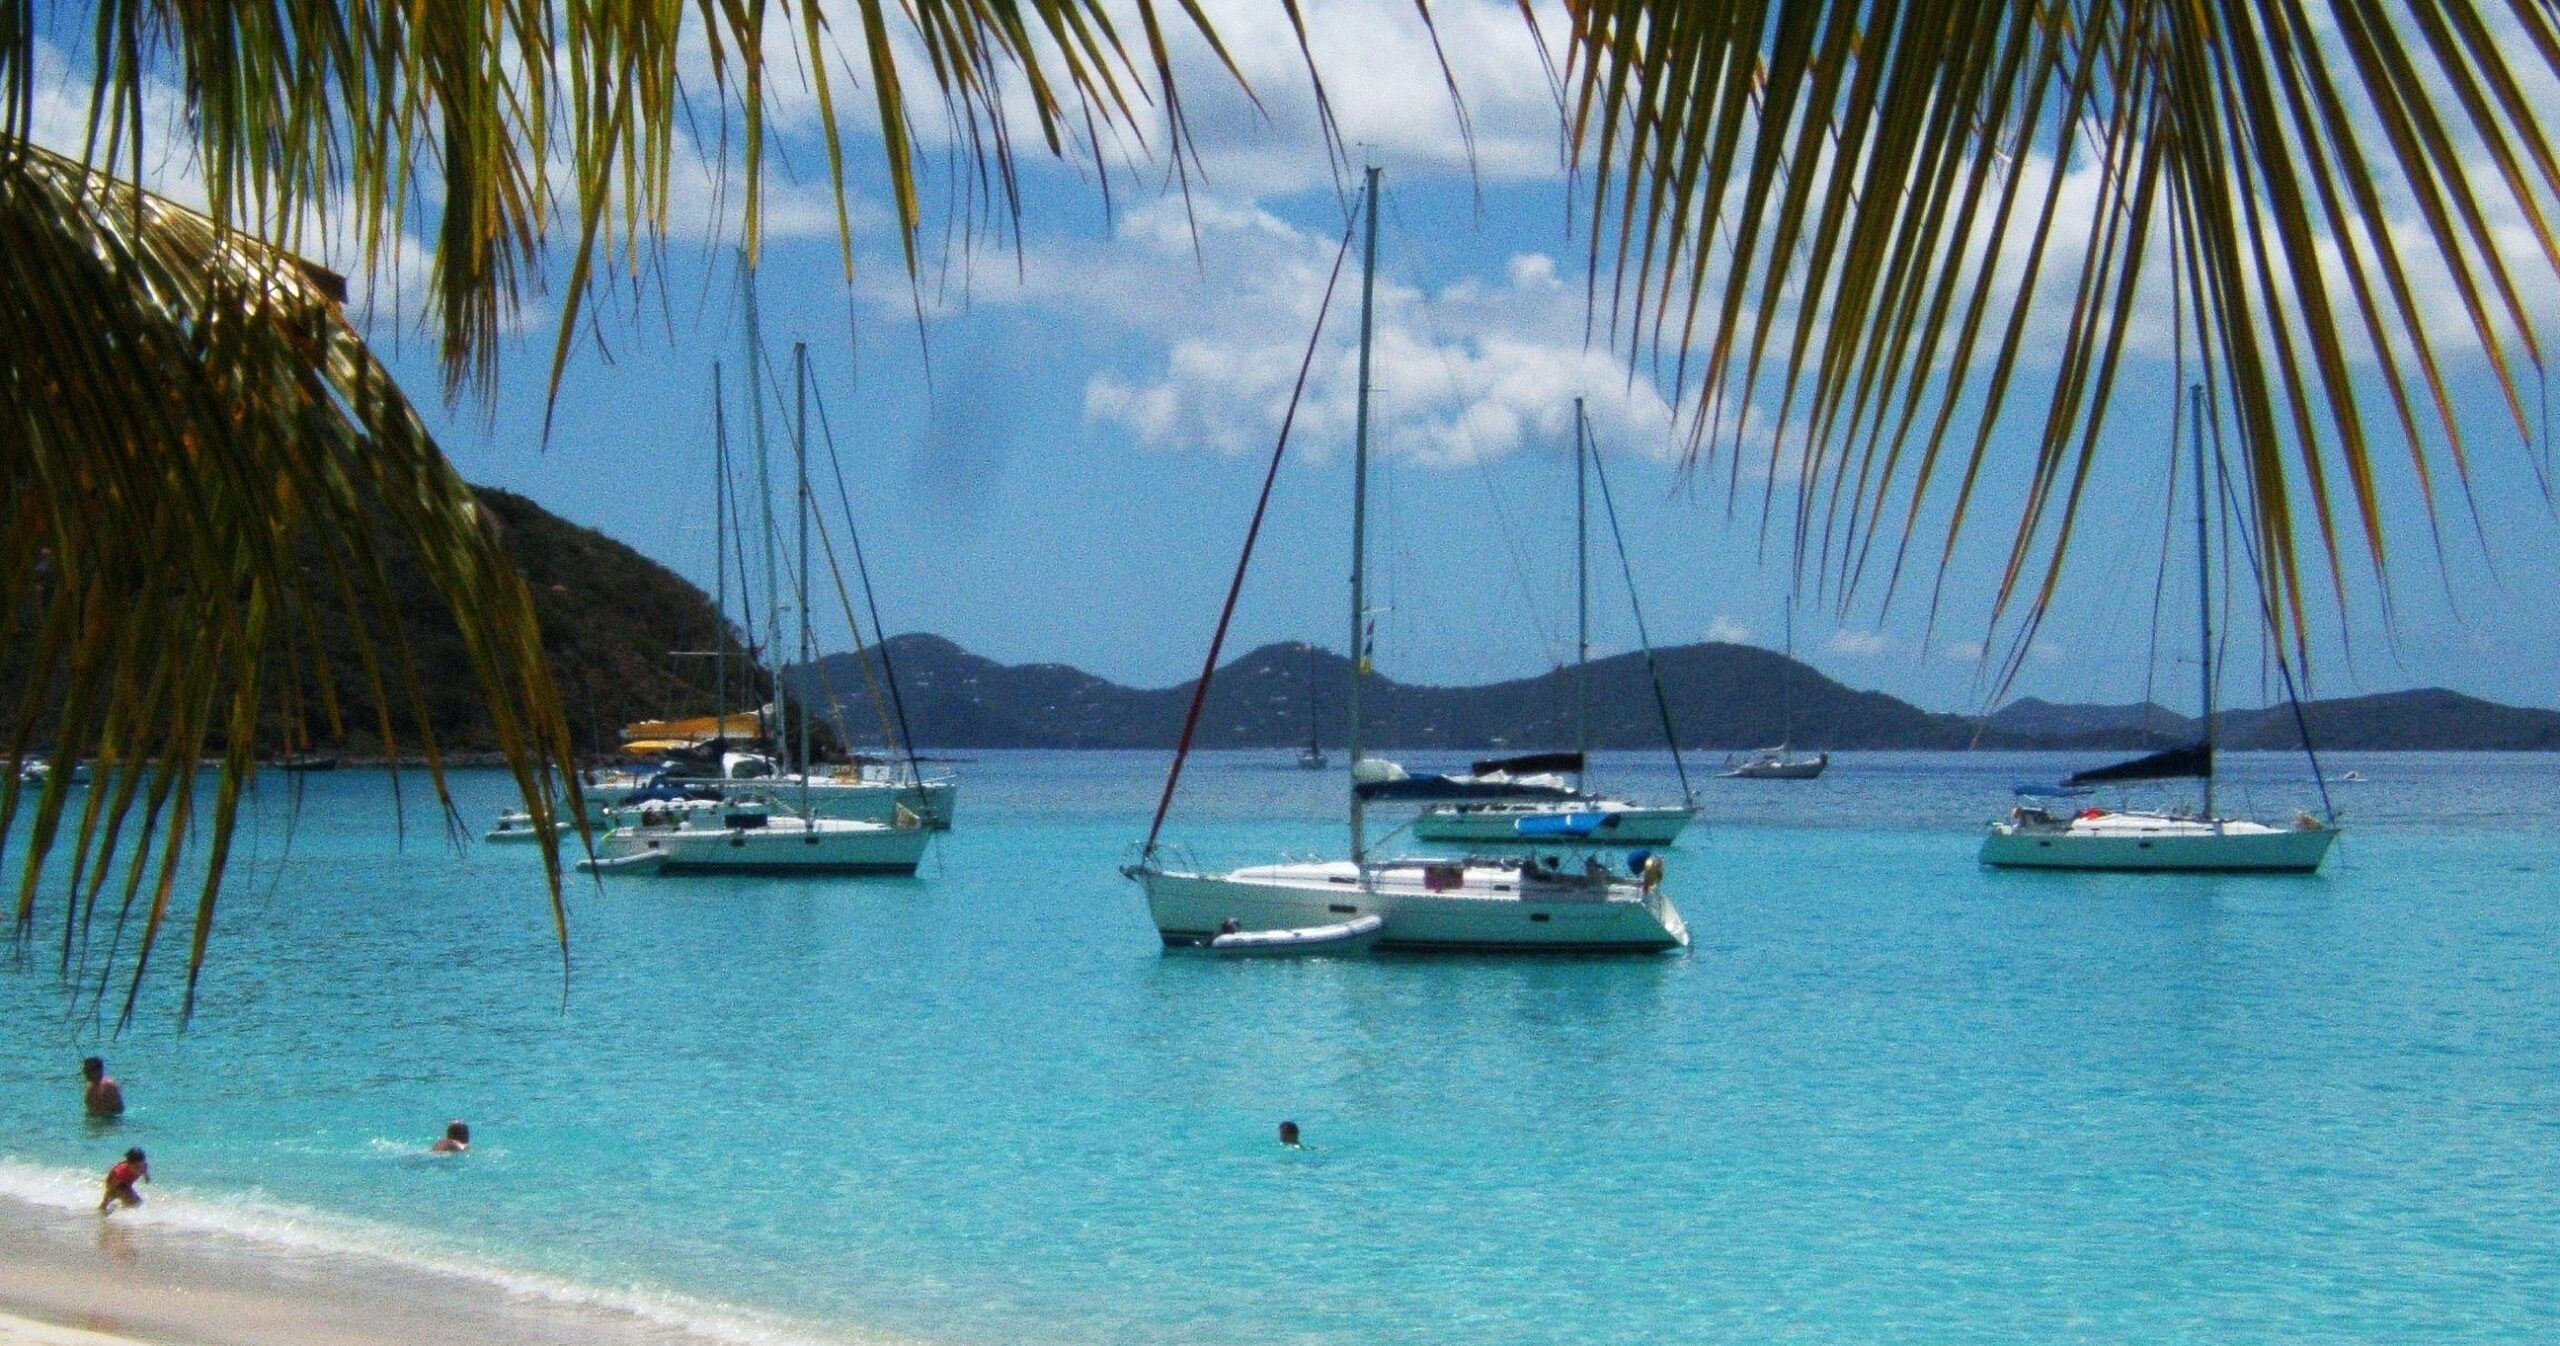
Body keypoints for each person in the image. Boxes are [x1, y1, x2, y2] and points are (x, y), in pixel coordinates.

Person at [97, 1148, 147, 1213]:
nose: (139, 1170)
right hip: (116, 1183)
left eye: (141, 1166)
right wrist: (105, 1201)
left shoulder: (143, 1165)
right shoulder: (121, 1172)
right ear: (128, 1164)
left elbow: (144, 1169)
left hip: (126, 1184)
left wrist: (146, 1177)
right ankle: (107, 1210)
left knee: (135, 1202)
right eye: (136, 1167)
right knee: (135, 1202)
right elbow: (111, 1188)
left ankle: (118, 1209)